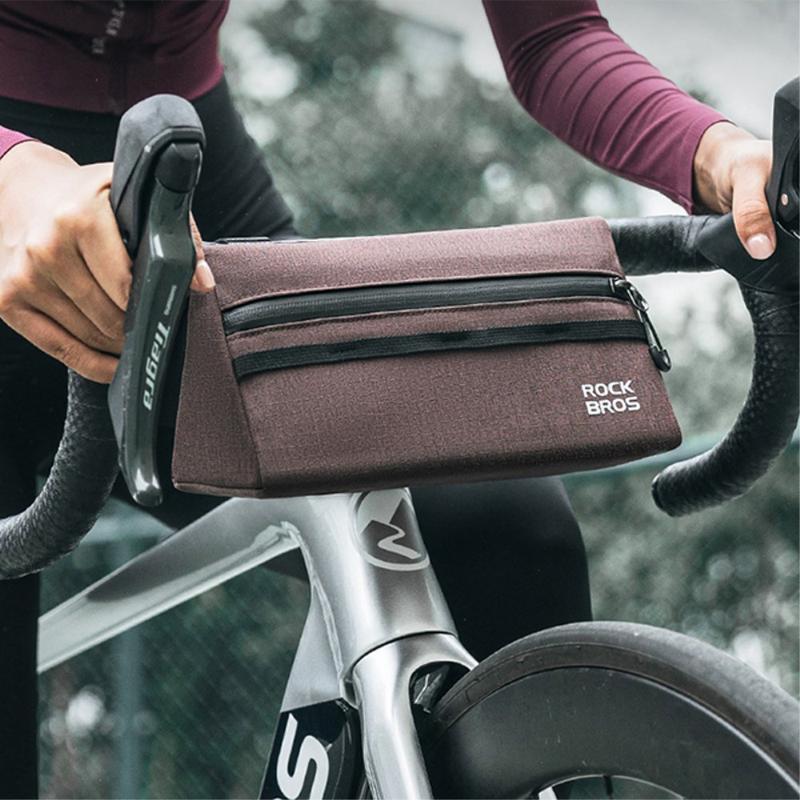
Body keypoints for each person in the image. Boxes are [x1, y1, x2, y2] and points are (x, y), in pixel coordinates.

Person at [0, 2, 774, 797]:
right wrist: (14, 175)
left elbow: (552, 34)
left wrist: (719, 155)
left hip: (182, 185)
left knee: (503, 532)